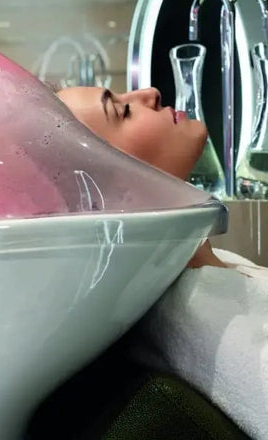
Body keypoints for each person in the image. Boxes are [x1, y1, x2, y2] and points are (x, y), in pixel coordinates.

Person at [56, 85, 267, 438]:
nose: (149, 93)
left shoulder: (203, 281)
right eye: (122, 111)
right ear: (109, 194)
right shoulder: (201, 319)